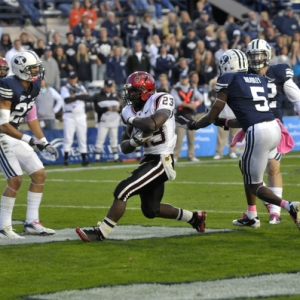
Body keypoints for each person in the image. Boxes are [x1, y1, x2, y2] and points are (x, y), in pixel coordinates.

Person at [175, 49, 300, 231]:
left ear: (227, 64)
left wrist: (192, 125)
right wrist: (225, 121)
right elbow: (246, 116)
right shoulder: (258, 79)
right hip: (274, 127)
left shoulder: (229, 79)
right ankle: (251, 215)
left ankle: (290, 206)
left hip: (259, 132)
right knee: (244, 165)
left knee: (253, 184)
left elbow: (211, 115)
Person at [75, 71, 207, 242]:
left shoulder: (161, 99)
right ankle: (195, 218)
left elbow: (153, 123)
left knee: (123, 190)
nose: (130, 94)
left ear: (147, 90)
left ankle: (100, 233)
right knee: (151, 210)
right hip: (149, 159)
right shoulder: (129, 110)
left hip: (162, 159)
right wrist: (134, 142)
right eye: (129, 90)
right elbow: (124, 147)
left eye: (135, 91)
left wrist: (132, 121)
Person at [0, 50, 59, 238]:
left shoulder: (32, 87)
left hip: (14, 135)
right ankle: (3, 227)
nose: (37, 71)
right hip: (2, 135)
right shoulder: (7, 85)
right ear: (21, 70)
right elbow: (3, 125)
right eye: (33, 68)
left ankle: (32, 222)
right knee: (15, 179)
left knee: (39, 175)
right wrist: (30, 141)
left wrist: (43, 141)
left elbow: (31, 119)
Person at [244, 39, 300, 224]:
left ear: (267, 55)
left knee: (273, 168)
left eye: (259, 55)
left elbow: (295, 95)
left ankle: (274, 211)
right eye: (252, 55)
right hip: (253, 125)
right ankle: (260, 207)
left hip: (274, 123)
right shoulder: (245, 74)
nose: (255, 59)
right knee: (249, 170)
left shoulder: (278, 72)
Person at [61, 71, 91, 167]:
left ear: (76, 78)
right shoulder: (64, 88)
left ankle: (84, 159)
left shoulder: (80, 87)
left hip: (81, 115)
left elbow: (87, 97)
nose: (72, 80)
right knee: (68, 138)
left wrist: (75, 96)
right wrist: (80, 96)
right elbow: (67, 100)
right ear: (68, 79)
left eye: (74, 78)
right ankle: (66, 159)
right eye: (71, 78)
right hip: (69, 116)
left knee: (82, 138)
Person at [171, 72, 201, 163]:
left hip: (191, 116)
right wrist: (190, 105)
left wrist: (195, 104)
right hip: (180, 116)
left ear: (188, 79)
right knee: (179, 138)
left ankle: (191, 155)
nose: (184, 80)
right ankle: (175, 156)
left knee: (191, 137)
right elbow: (177, 102)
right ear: (180, 79)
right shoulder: (175, 89)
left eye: (185, 78)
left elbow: (200, 98)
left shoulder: (192, 88)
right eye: (182, 78)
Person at [92, 79, 121, 162]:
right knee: (100, 138)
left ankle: (116, 157)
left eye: (110, 87)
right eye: (107, 87)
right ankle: (97, 158)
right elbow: (97, 109)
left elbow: (121, 108)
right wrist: (106, 108)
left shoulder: (115, 96)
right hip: (103, 121)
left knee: (114, 139)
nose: (108, 88)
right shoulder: (98, 96)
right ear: (104, 86)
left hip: (114, 120)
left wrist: (117, 109)